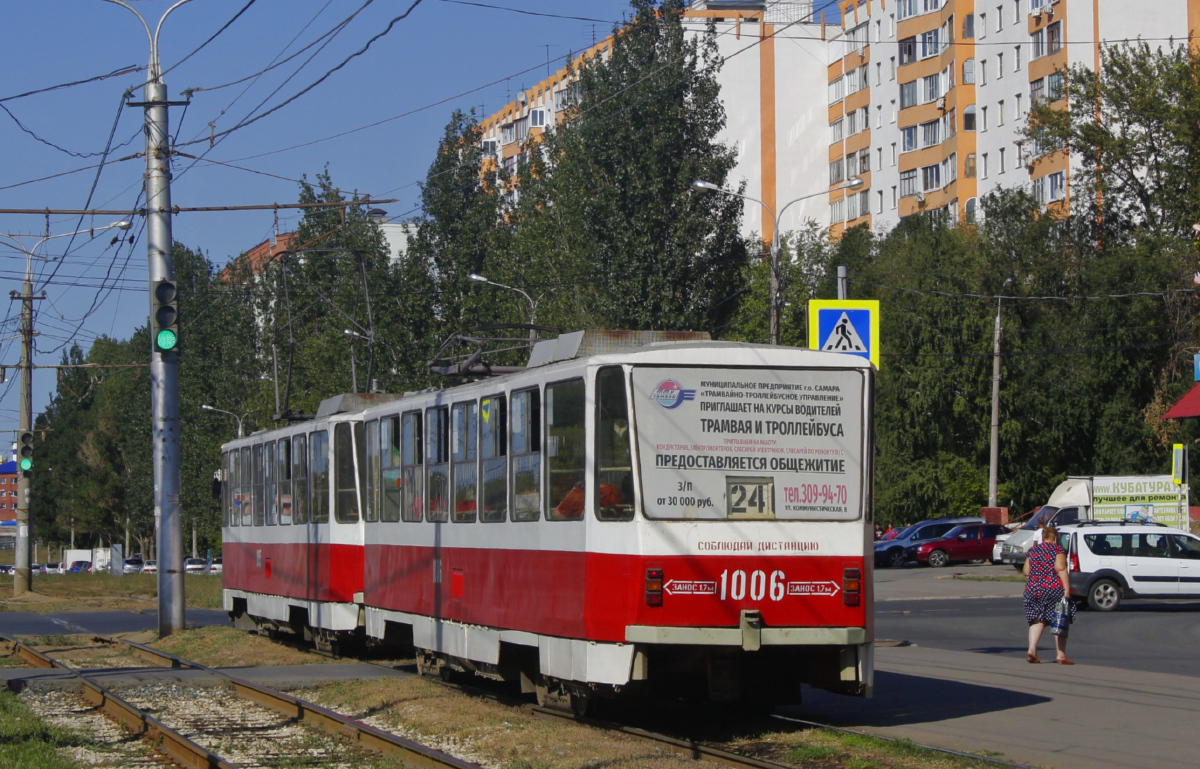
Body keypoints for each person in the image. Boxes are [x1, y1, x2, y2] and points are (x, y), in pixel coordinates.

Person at [1023, 525, 1075, 664]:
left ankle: (1031, 650)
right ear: (1055, 538)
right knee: (1059, 618)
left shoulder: (1032, 550)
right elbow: (1061, 568)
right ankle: (1061, 655)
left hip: (1032, 589)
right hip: (1053, 588)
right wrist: (1066, 589)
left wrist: (1034, 583)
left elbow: (1026, 571)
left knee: (1037, 620)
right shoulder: (1057, 549)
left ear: (1043, 537)